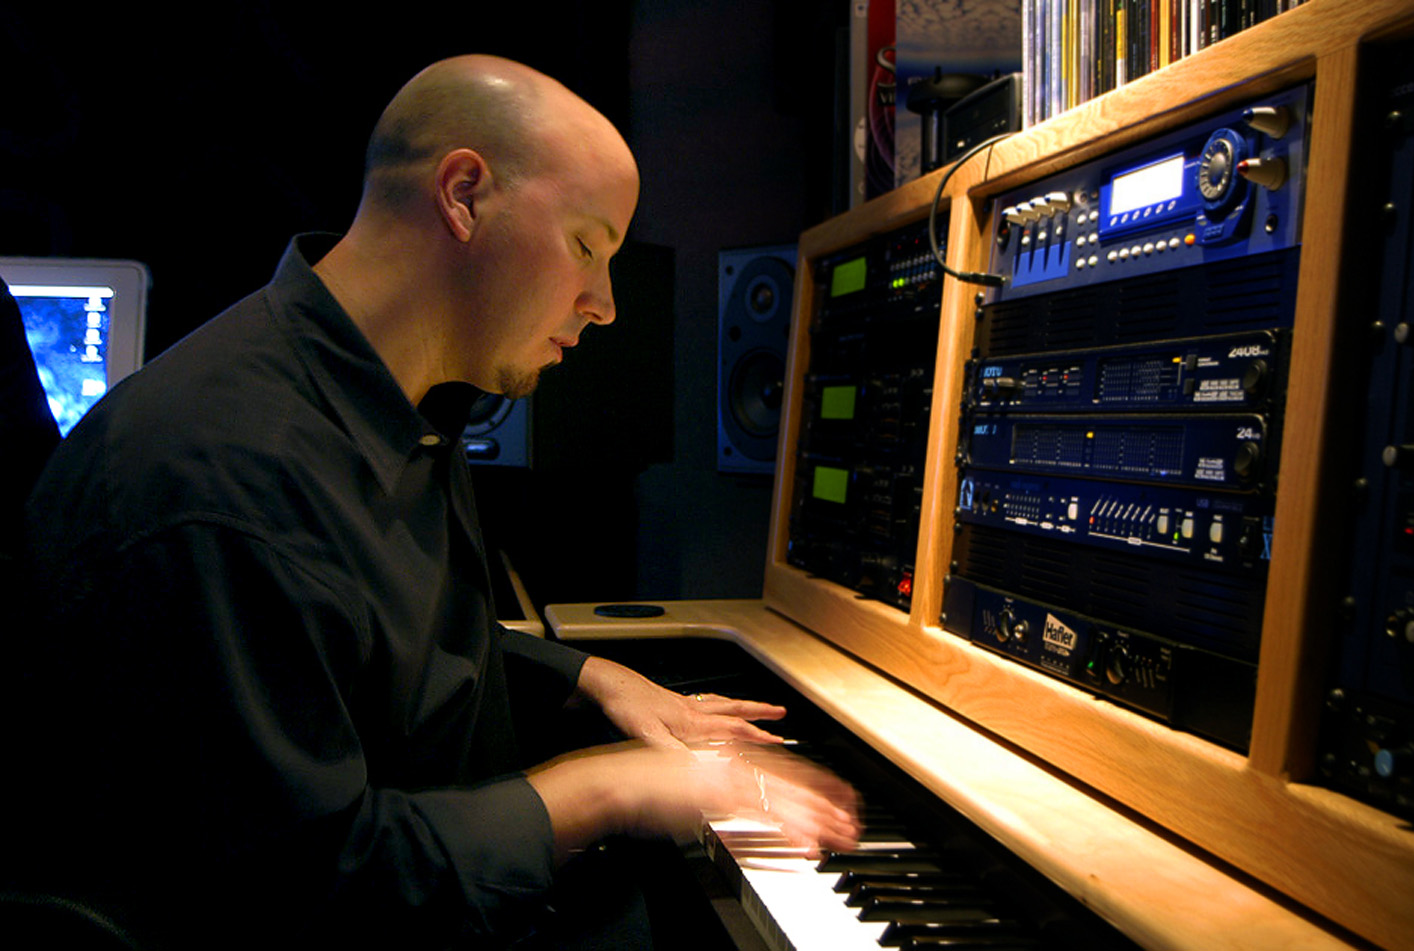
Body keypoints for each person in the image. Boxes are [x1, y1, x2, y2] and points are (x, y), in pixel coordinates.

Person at [4, 55, 859, 949]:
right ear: (463, 194)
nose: (603, 304)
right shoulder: (223, 477)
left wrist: (591, 679)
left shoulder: (385, 399)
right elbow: (313, 884)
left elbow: (364, 646)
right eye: (585, 245)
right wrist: (616, 787)